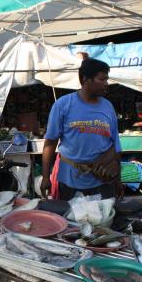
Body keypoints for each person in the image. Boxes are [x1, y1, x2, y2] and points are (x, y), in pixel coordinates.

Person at [40, 58, 123, 201]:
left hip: (102, 180)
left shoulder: (108, 107)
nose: (106, 84)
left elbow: (115, 145)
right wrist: (46, 177)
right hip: (70, 181)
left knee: (103, 220)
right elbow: (50, 144)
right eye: (102, 79)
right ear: (85, 79)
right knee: (72, 220)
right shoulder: (63, 105)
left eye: (106, 79)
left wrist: (118, 179)